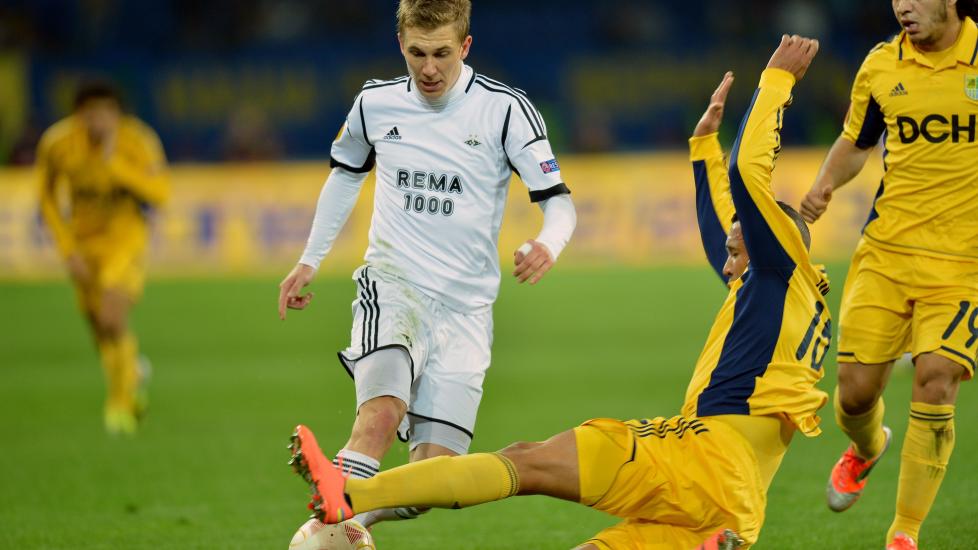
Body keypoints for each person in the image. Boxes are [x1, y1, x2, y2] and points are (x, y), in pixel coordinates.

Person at [287, 35, 826, 549]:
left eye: (742, 243)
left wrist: (776, 80)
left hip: (701, 456)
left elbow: (748, 177)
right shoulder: (786, 297)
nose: (729, 254)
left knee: (525, 462)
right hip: (740, 505)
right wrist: (703, 144)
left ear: (770, 240)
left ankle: (350, 494)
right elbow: (721, 232)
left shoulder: (777, 263)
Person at [276, 0, 577, 543]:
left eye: (442, 53)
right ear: (401, 46)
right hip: (394, 283)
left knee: (430, 483)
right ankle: (337, 503)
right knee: (382, 413)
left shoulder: (505, 110)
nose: (429, 68)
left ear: (465, 46)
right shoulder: (375, 103)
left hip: (467, 311)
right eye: (417, 53)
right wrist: (309, 260)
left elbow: (559, 202)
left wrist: (548, 243)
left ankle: (335, 524)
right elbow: (345, 176)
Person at [800, 2, 978, 548]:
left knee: (937, 376)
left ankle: (904, 533)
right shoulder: (881, 65)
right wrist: (823, 186)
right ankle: (868, 446)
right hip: (887, 255)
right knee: (853, 396)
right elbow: (857, 143)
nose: (902, 5)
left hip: (964, 264)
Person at [37, 81, 169, 435]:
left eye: (105, 113)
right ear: (78, 115)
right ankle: (133, 374)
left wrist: (116, 166)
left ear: (117, 114)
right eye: (89, 114)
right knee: (99, 327)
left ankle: (119, 403)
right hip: (83, 246)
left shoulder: (138, 141)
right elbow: (47, 198)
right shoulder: (57, 143)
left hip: (125, 241)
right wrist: (67, 249)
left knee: (112, 316)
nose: (98, 121)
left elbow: (160, 192)